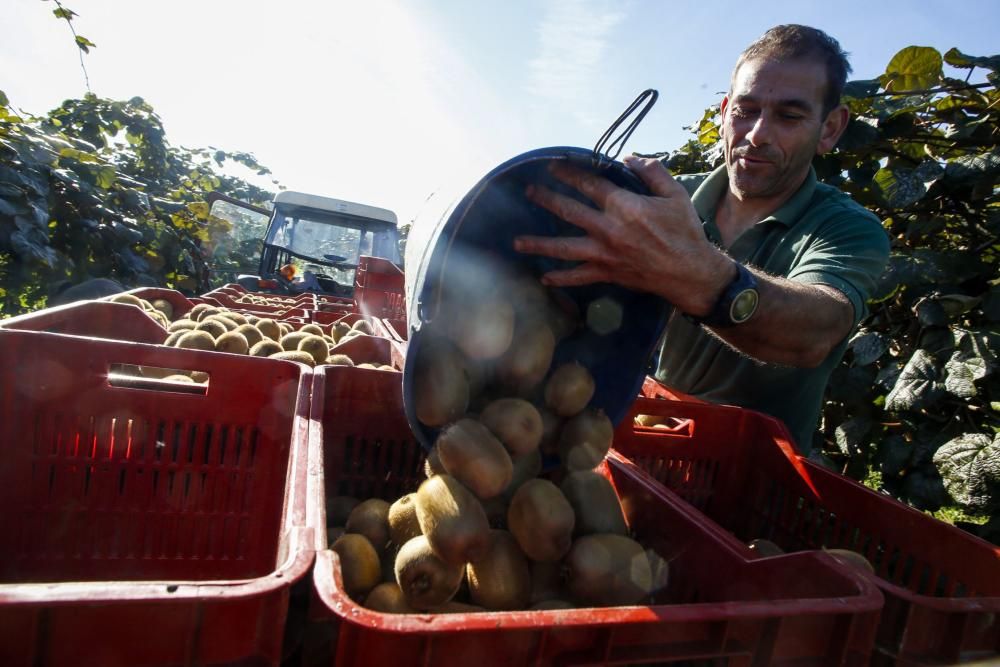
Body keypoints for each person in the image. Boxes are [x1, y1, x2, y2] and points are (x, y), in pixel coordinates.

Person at [513, 24, 891, 452]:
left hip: (754, 470)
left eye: (789, 116)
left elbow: (816, 331)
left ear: (829, 129)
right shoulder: (665, 199)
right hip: (648, 435)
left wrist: (693, 273)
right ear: (725, 111)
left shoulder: (845, 227)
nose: (757, 134)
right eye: (745, 110)